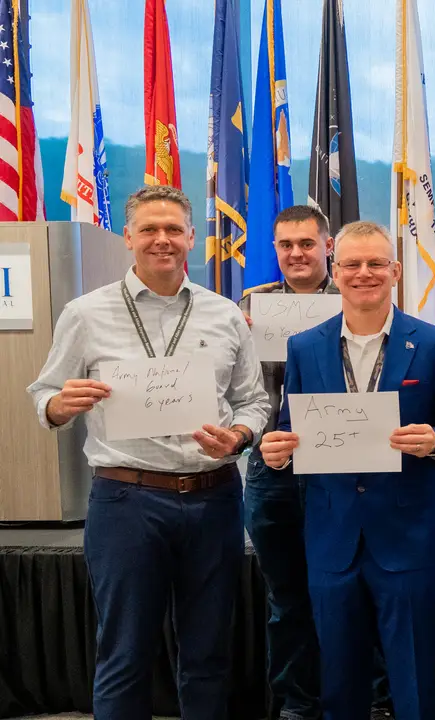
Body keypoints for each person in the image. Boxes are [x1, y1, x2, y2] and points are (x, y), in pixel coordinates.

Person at [28, 184, 270, 719]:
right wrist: (61, 405)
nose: (163, 239)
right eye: (150, 229)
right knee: (124, 652)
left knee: (209, 651)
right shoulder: (85, 313)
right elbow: (43, 394)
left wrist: (242, 436)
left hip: (214, 498)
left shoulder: (225, 313)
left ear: (191, 238)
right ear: (129, 237)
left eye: (174, 230)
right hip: (127, 500)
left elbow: (254, 400)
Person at [259, 221, 435, 720]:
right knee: (339, 676)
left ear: (395, 271)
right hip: (332, 536)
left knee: (414, 675)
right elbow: (292, 427)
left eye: (376, 263)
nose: (364, 273)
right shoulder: (304, 347)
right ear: (335, 271)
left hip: (405, 533)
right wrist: (279, 450)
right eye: (352, 264)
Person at [239, 204, 394, 720]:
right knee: (287, 596)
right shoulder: (250, 305)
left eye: (307, 243)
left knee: (359, 586)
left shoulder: (359, 292)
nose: (296, 253)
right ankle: (296, 704)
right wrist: (236, 333)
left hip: (345, 461)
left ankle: (372, 700)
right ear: (275, 249)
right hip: (274, 463)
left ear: (329, 246)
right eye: (286, 245)